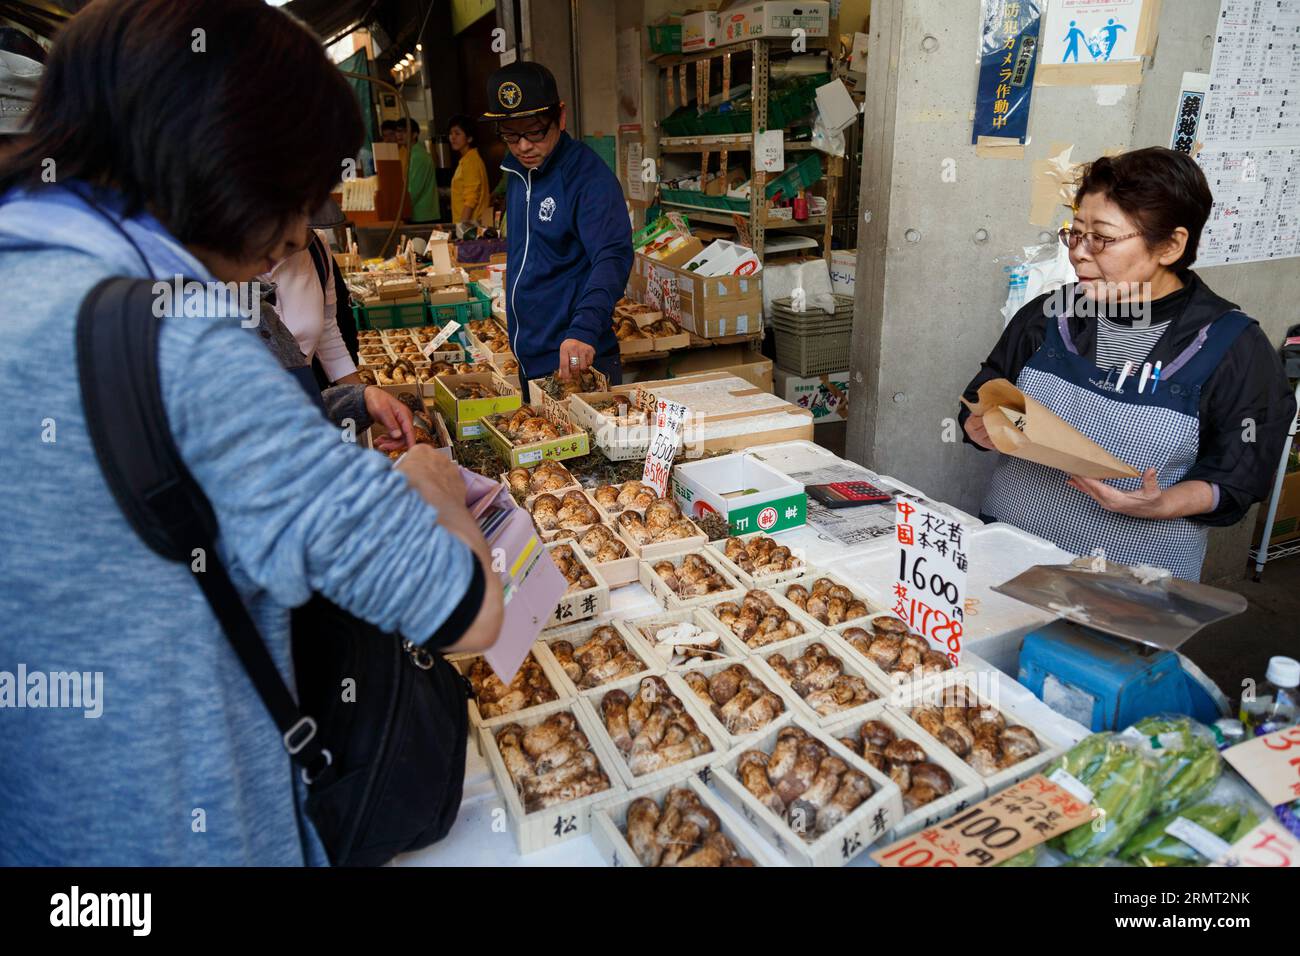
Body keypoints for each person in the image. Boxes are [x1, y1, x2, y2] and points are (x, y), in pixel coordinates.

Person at [0, 0, 502, 865]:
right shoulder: (181, 343)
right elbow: (464, 609)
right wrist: (430, 481)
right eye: (297, 197)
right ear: (229, 162)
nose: (297, 235)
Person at [960, 147, 1295, 581]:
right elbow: (984, 389)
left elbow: (1241, 472)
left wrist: (1164, 504)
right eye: (1075, 233)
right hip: (1006, 551)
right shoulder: (1050, 315)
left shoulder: (1231, 347)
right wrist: (978, 426)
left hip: (1131, 586)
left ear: (1171, 245)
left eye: (1102, 237)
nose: (1080, 253)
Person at [482, 60, 631, 385]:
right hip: (530, 357)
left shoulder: (587, 177)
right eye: (510, 135)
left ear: (560, 116)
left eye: (535, 131)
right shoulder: (518, 172)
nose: (523, 146)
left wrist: (584, 329)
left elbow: (613, 255)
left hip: (575, 358)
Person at [448, 113, 492, 228]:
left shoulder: (470, 161)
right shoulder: (468, 159)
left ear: (469, 138)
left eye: (457, 133)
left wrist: (461, 229)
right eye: (451, 133)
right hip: (471, 225)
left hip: (470, 227)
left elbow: (471, 199)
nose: (452, 137)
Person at [394, 117, 440, 223]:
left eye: (404, 131)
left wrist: (399, 211)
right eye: (398, 131)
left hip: (422, 215)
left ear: (414, 134)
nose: (399, 135)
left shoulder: (418, 156)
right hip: (420, 213)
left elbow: (413, 190)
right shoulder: (409, 153)